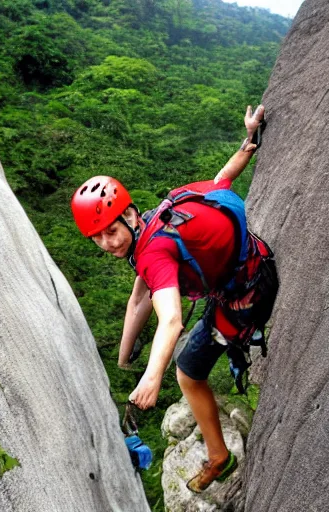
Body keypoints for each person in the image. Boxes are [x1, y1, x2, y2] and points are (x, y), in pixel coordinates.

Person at [71, 105, 278, 492]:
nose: (105, 244)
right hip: (251, 264)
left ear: (130, 216)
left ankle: (220, 457)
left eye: (110, 231)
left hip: (246, 297)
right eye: (96, 237)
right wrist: (250, 140)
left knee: (187, 372)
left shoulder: (152, 253)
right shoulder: (165, 214)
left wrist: (152, 379)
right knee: (184, 348)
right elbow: (221, 180)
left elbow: (170, 319)